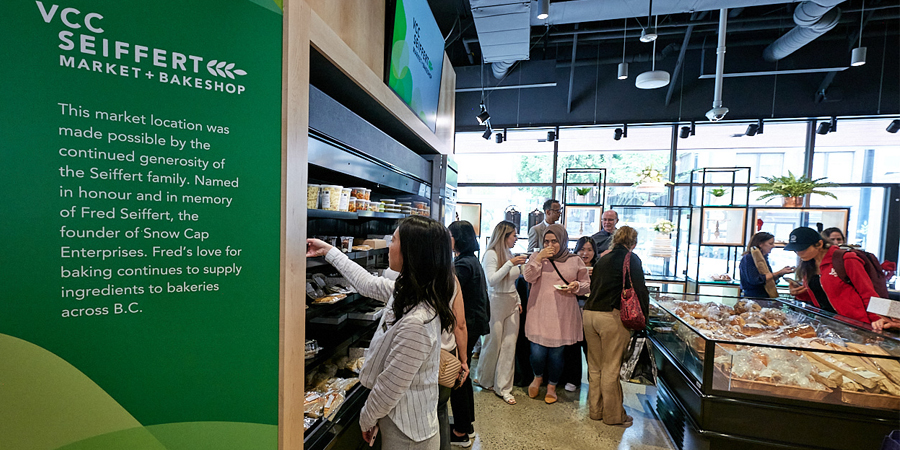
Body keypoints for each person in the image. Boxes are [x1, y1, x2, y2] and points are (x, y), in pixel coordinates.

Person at [306, 216, 457, 449]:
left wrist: (366, 418)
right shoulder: (410, 294)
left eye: (394, 240)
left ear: (412, 252)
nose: (388, 245)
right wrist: (328, 251)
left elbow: (390, 386)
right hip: (399, 420)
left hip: (409, 434)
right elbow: (366, 283)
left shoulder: (418, 321)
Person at [582, 226, 649, 427]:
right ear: (633, 243)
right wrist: (644, 318)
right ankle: (613, 416)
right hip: (611, 317)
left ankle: (596, 411)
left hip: (589, 314)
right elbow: (640, 290)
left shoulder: (604, 258)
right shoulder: (631, 259)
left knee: (595, 367)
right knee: (611, 368)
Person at [523, 224, 590, 404]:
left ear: (563, 240)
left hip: (563, 313)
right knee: (537, 351)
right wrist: (538, 259)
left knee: (556, 354)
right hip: (539, 311)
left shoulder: (574, 260)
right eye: (546, 241)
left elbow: (586, 284)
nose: (550, 245)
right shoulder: (537, 257)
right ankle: (537, 378)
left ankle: (552, 386)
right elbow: (528, 277)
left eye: (554, 241)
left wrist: (577, 286)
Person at [785, 227, 897, 331]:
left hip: (855, 325)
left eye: (802, 249)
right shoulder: (808, 265)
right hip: (826, 323)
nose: (799, 253)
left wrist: (875, 321)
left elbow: (867, 292)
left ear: (819, 244)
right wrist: (799, 293)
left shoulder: (846, 259)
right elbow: (823, 293)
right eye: (795, 250)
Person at [447, 221, 490, 447]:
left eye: (450, 235)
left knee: (458, 376)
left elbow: (450, 296)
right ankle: (466, 425)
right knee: (462, 376)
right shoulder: (469, 260)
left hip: (469, 324)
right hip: (475, 322)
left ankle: (461, 431)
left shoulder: (463, 265)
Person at [476, 221, 527, 405]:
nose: (516, 239)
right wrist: (510, 263)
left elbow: (511, 282)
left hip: (511, 302)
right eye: (514, 235)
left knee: (509, 345)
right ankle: (485, 378)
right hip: (495, 302)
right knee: (493, 342)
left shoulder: (509, 253)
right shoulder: (491, 254)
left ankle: (503, 387)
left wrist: (519, 300)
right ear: (504, 236)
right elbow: (492, 280)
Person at [560, 236, 598, 392]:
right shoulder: (572, 266)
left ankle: (594, 382)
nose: (585, 253)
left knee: (592, 349)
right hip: (573, 311)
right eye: (582, 249)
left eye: (589, 249)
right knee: (573, 347)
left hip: (592, 314)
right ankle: (573, 379)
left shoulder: (600, 268)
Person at [739, 232, 794, 298]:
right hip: (754, 297)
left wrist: (781, 273)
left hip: (765, 296)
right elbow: (755, 280)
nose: (773, 246)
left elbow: (768, 279)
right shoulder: (749, 258)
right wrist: (779, 272)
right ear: (760, 244)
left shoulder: (763, 258)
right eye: (770, 243)